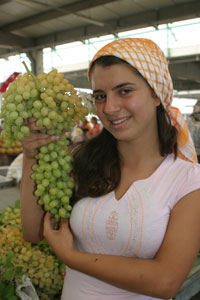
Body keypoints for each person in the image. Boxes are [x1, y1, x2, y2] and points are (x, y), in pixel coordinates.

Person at [20, 38, 200, 300]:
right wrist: (30, 157)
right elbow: (33, 231)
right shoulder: (83, 161)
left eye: (125, 91)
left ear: (156, 94)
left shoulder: (187, 180)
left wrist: (71, 256)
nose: (110, 108)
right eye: (100, 96)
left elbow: (166, 281)